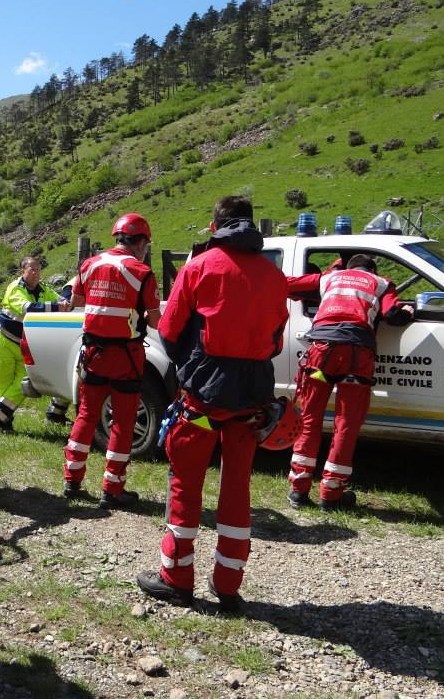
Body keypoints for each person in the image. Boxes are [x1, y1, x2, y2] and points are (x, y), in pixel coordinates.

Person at [136, 196, 290, 611]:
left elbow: (169, 334)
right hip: (251, 401)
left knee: (186, 484)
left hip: (202, 401)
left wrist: (195, 362)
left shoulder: (200, 267)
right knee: (237, 487)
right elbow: (276, 340)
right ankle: (228, 584)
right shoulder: (274, 275)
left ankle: (176, 578)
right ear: (251, 225)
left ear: (214, 226)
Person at [285, 253, 412, 511]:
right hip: (357, 354)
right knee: (346, 423)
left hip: (322, 351)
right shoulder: (381, 283)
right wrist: (408, 312)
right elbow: (393, 315)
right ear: (372, 269)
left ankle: (298, 490)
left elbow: (287, 285)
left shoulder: (329, 278)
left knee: (309, 418)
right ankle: (331, 495)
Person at [63, 213, 161, 509]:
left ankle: (72, 480)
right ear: (140, 242)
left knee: (86, 415)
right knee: (123, 422)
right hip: (125, 358)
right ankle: (112, 488)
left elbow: (76, 301)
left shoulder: (89, 264)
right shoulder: (142, 272)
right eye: (145, 244)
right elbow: (155, 321)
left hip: (93, 354)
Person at [0, 256, 73, 433]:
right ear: (22, 271)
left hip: (23, 344)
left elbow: (59, 300)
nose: (36, 273)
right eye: (32, 269)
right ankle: (2, 424)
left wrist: (65, 302)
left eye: (38, 269)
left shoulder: (42, 288)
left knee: (25, 381)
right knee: (1, 382)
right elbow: (27, 308)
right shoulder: (15, 288)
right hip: (3, 340)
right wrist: (56, 307)